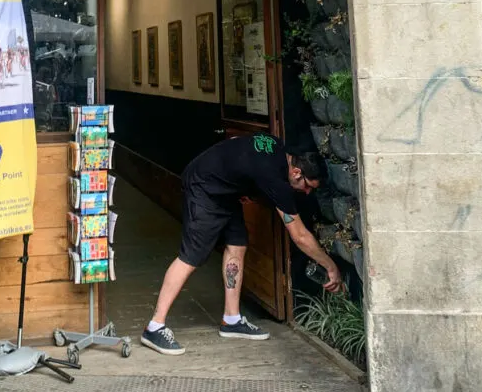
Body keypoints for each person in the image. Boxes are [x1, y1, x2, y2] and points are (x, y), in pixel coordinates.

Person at [141, 133, 343, 356]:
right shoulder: (276, 179)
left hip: (226, 191)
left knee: (237, 244)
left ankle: (231, 319)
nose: (306, 192)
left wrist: (243, 186)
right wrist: (330, 266)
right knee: (192, 256)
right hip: (203, 188)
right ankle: (155, 326)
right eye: (307, 186)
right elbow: (300, 236)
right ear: (296, 172)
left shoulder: (277, 148)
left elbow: (238, 143)